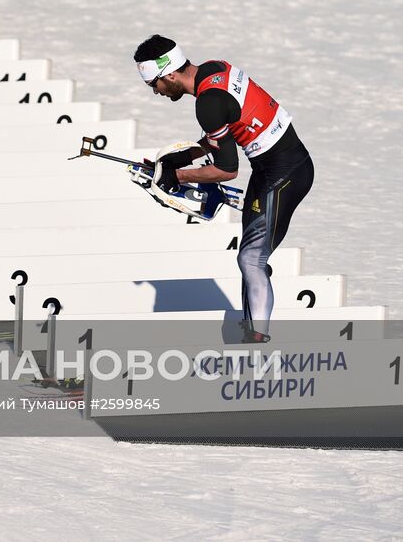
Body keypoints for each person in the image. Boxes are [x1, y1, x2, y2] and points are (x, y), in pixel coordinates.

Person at [133, 35, 314, 343]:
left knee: (250, 259)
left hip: (285, 175)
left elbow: (227, 170)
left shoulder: (207, 103)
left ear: (170, 74)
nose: (156, 92)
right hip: (273, 169)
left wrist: (176, 176)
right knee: (250, 255)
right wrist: (184, 157)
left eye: (155, 84)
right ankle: (251, 327)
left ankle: (257, 342)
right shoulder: (212, 70)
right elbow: (221, 132)